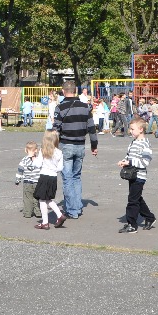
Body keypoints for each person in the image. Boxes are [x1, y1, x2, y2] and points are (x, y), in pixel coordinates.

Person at [52, 81, 99, 220]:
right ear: (76, 91)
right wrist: (94, 146)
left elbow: (56, 129)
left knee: (67, 178)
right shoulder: (85, 107)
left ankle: (72, 210)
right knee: (76, 176)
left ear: (63, 91)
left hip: (66, 144)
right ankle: (77, 207)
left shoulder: (60, 107)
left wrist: (53, 146)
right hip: (80, 145)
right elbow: (92, 128)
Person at [118, 119, 155, 233]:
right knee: (137, 198)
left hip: (140, 176)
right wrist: (124, 161)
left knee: (132, 200)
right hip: (132, 175)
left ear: (141, 129)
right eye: (130, 129)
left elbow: (145, 162)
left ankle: (132, 225)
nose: (130, 131)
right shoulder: (133, 142)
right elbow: (129, 156)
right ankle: (149, 217)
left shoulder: (145, 144)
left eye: (132, 129)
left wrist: (129, 162)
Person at [33, 131, 66, 230]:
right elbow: (60, 168)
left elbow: (38, 164)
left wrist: (33, 158)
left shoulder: (43, 151)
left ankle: (45, 222)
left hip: (44, 176)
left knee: (42, 200)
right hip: (53, 177)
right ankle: (60, 215)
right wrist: (53, 169)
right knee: (48, 199)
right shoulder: (59, 152)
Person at [14, 141, 41, 219]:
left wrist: (17, 180)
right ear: (36, 150)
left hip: (27, 182)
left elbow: (20, 170)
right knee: (36, 197)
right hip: (37, 182)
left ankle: (27, 213)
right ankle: (38, 212)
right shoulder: (39, 160)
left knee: (27, 198)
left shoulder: (24, 160)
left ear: (26, 150)